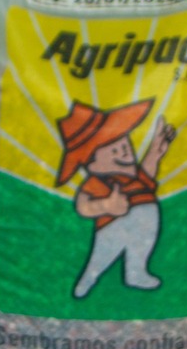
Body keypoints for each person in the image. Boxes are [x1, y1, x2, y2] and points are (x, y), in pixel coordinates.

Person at [55, 98, 178, 300]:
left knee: (140, 249)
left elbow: (147, 174)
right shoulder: (98, 181)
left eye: (124, 142)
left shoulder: (133, 176)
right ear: (93, 165)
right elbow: (83, 206)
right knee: (100, 259)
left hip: (144, 228)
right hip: (112, 227)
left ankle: (136, 272)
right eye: (114, 149)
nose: (124, 149)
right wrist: (106, 205)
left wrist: (156, 151)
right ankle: (87, 279)